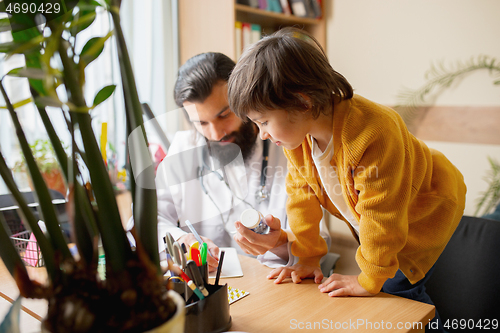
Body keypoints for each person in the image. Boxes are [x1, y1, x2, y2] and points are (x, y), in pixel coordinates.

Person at [227, 28, 466, 331]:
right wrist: (307, 258)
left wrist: (368, 279)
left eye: (263, 122)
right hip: (387, 217)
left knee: (397, 296)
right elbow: (301, 198)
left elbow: (383, 217)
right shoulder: (298, 139)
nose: (262, 134)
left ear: (301, 103)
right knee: (384, 287)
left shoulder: (374, 132)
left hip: (426, 210)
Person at [127, 52, 331, 272]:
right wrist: (180, 240)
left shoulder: (289, 146)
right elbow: (144, 219)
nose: (215, 134)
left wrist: (280, 242)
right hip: (208, 285)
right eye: (201, 123)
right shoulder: (184, 147)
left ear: (244, 100)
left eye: (224, 115)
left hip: (272, 282)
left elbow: (319, 239)